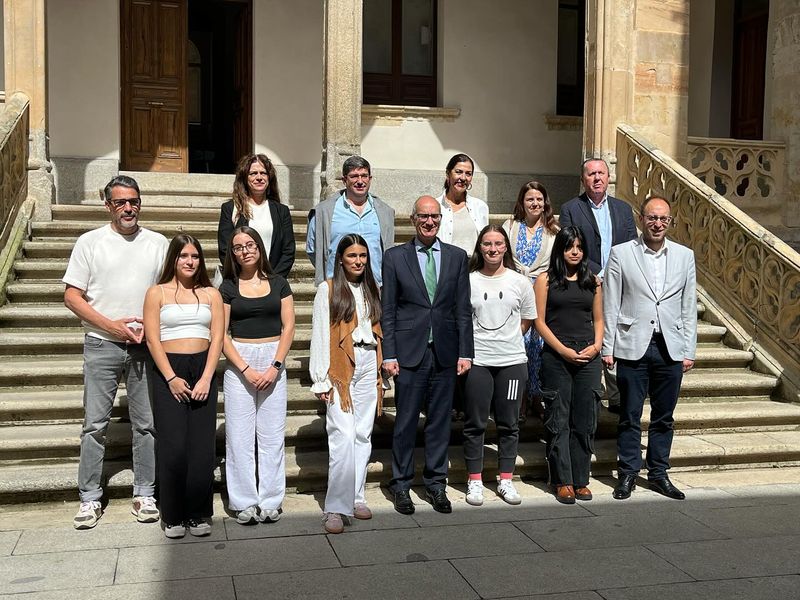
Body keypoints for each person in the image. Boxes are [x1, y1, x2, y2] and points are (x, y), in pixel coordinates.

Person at [63, 175, 169, 530]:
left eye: (134, 201)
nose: (129, 208)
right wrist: (112, 326)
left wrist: (151, 328)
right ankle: (90, 497)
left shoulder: (157, 243)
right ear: (107, 204)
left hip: (144, 347)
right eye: (121, 202)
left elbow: (170, 290)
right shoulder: (90, 242)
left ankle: (145, 492)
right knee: (94, 424)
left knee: (147, 425)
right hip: (101, 343)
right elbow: (72, 296)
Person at [382, 195, 474, 515]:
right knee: (406, 422)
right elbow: (388, 310)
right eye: (423, 216)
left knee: (439, 422)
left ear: (441, 220)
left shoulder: (457, 257)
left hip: (446, 352)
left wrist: (466, 352)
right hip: (409, 353)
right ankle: (402, 484)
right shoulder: (395, 258)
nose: (429, 221)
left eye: (434, 216)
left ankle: (436, 483)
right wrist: (388, 353)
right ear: (413, 219)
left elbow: (463, 310)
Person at [602, 196, 697, 501]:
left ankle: (658, 473)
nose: (658, 224)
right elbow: (611, 302)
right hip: (633, 345)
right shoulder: (621, 253)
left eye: (663, 219)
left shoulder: (684, 256)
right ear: (641, 219)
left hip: (670, 347)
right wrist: (608, 346)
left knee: (664, 416)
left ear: (670, 222)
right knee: (629, 414)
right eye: (652, 218)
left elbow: (687, 306)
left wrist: (689, 350)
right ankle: (628, 473)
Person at [142, 234, 224, 538]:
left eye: (195, 256)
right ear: (173, 259)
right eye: (183, 256)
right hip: (169, 370)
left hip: (203, 367)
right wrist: (171, 378)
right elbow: (152, 339)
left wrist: (206, 376)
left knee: (201, 446)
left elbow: (217, 337)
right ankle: (173, 515)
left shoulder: (211, 294)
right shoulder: (157, 293)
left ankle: (199, 512)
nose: (190, 262)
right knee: (174, 445)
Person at [219, 226, 295, 525]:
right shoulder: (227, 287)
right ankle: (243, 501)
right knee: (238, 436)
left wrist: (275, 366)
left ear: (259, 247)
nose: (245, 251)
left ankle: (271, 499)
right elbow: (221, 334)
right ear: (233, 254)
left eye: (250, 244)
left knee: (272, 435)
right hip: (241, 360)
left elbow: (288, 327)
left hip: (273, 358)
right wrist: (246, 369)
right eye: (238, 247)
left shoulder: (279, 283)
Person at [310, 234, 384, 534]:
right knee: (343, 433)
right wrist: (321, 378)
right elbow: (320, 336)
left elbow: (377, 329)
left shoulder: (369, 288)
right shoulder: (327, 290)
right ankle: (335, 507)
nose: (358, 261)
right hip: (340, 368)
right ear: (341, 258)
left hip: (368, 363)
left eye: (363, 256)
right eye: (352, 256)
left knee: (363, 434)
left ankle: (356, 496)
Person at [463, 225, 535, 507]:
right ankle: (475, 480)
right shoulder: (469, 281)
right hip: (478, 362)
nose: (493, 249)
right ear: (480, 247)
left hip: (512, 363)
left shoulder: (520, 281)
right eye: (487, 244)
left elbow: (528, 318)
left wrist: (509, 339)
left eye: (498, 244)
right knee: (475, 423)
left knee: (509, 423)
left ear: (506, 247)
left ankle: (506, 478)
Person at [558, 157, 637, 413]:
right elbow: (570, 245)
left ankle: (616, 397)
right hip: (586, 282)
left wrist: (616, 273)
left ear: (609, 177)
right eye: (591, 174)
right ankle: (591, 391)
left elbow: (631, 246)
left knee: (617, 335)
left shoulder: (623, 209)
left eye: (601, 173)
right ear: (583, 179)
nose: (597, 178)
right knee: (594, 333)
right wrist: (597, 272)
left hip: (620, 284)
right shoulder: (571, 208)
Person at [534, 226, 603, 504]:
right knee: (558, 418)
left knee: (584, 419)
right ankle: (562, 480)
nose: (575, 252)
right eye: (569, 247)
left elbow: (598, 319)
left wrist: (597, 346)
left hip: (588, 356)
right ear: (560, 250)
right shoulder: (546, 280)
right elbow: (539, 321)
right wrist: (562, 350)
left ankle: (581, 479)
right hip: (556, 356)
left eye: (579, 247)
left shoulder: (593, 281)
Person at [502, 181, 560, 420]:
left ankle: (537, 398)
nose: (535, 203)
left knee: (539, 346)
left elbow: (556, 264)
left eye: (539, 199)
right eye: (530, 199)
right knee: (519, 346)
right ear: (522, 202)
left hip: (542, 292)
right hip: (515, 293)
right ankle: (520, 400)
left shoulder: (554, 230)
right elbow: (505, 259)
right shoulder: (510, 226)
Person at [307, 156, 395, 286]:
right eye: (354, 176)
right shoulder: (324, 211)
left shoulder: (385, 212)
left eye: (364, 176)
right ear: (344, 180)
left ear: (370, 179)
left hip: (375, 287)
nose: (360, 181)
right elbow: (313, 250)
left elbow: (388, 251)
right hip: (337, 287)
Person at [217, 153, 295, 279]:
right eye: (253, 173)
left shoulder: (282, 211)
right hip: (241, 282)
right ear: (244, 178)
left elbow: (288, 251)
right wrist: (243, 279)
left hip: (273, 281)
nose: (259, 177)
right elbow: (225, 250)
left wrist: (273, 280)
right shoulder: (231, 209)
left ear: (269, 178)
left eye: (263, 173)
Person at [435, 153, 490, 256]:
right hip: (445, 266)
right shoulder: (435, 206)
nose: (463, 178)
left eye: (468, 173)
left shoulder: (480, 207)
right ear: (448, 174)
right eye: (458, 172)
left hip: (473, 267)